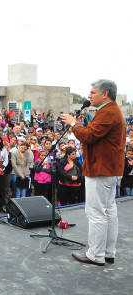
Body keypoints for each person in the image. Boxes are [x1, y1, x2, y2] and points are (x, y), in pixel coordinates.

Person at [62, 79, 125, 266]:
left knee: (96, 212)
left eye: (92, 92)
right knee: (109, 211)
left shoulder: (107, 112)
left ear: (105, 94)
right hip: (108, 169)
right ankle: (107, 253)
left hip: (100, 169)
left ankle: (95, 255)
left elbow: (89, 136)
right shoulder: (110, 111)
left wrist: (74, 124)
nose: (89, 96)